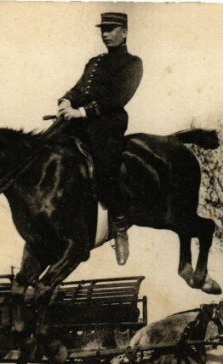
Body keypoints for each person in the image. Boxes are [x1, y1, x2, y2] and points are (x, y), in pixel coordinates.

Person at [57, 12, 143, 266]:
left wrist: (82, 112)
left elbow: (118, 98)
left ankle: (119, 226)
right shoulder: (94, 62)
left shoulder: (132, 64)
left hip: (106, 126)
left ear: (125, 32)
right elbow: (79, 88)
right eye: (103, 29)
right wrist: (66, 101)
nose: (105, 33)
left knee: (106, 166)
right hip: (78, 122)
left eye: (111, 29)